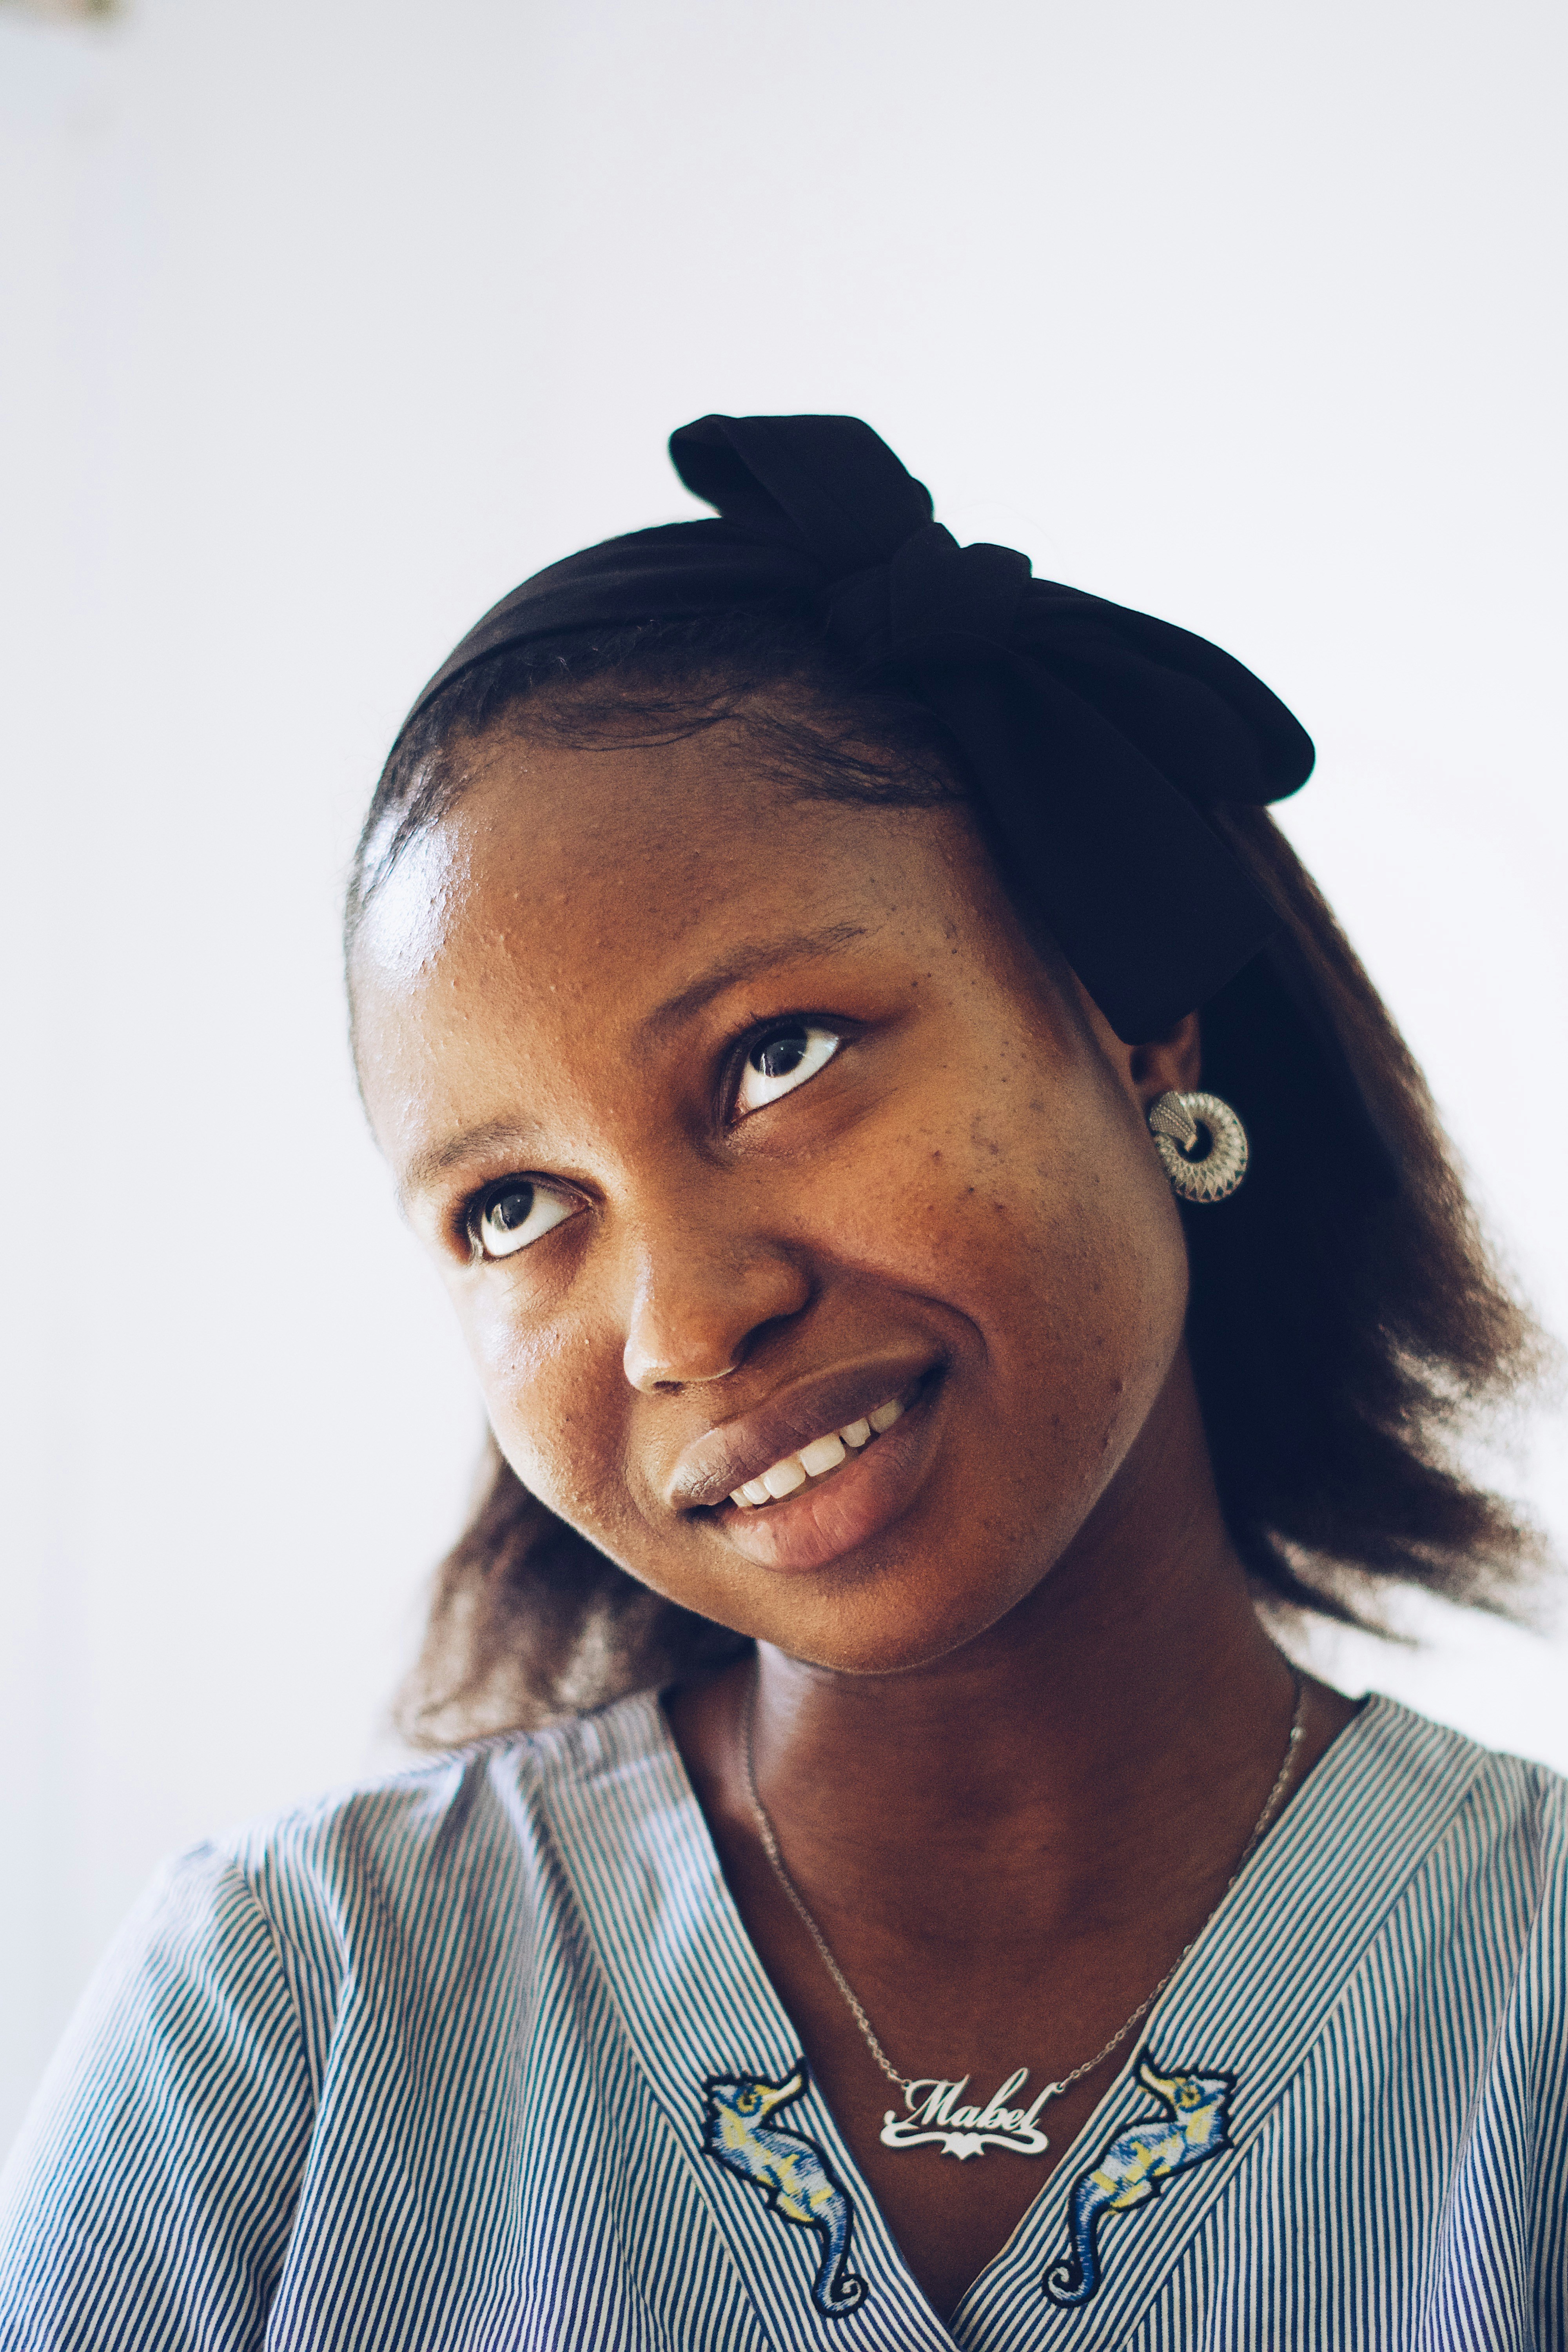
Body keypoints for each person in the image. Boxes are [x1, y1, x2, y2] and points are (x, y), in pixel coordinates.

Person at [1, 415, 1561, 2350]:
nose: (680, 1320)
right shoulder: (284, 2018)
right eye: (511, 1207)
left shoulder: (1533, 2018)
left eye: (777, 1055)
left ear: (1132, 1019)